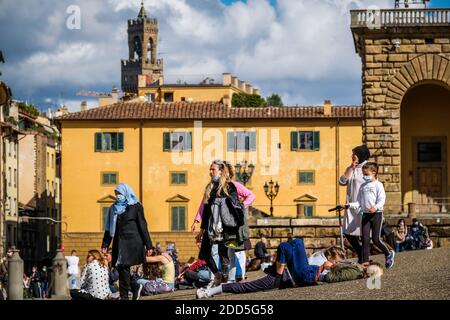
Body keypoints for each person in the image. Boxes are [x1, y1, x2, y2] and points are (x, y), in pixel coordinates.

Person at [196, 238, 333, 299]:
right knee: (297, 242)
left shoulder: (321, 270)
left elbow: (315, 277)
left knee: (287, 246)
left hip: (283, 278)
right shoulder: (321, 268)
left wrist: (321, 267)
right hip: (293, 274)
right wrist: (322, 267)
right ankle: (211, 291)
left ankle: (210, 292)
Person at [193, 160, 245, 286]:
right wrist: (202, 229)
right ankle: (217, 275)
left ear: (221, 171)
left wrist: (238, 224)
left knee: (224, 253)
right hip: (211, 225)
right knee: (205, 251)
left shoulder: (228, 186)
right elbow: (206, 210)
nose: (210, 172)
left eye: (213, 169)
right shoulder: (209, 187)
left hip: (225, 226)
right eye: (210, 169)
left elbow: (235, 206)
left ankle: (225, 282)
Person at [101, 183, 153, 300]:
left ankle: (125, 295)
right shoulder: (113, 208)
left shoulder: (136, 206)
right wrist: (105, 244)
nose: (118, 196)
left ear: (126, 193)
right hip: (118, 243)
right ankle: (134, 286)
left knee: (123, 267)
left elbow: (143, 226)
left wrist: (149, 245)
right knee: (121, 268)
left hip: (132, 242)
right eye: (116, 193)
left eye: (119, 193)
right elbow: (109, 228)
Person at [347, 162, 395, 269]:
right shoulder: (363, 186)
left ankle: (388, 253)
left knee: (376, 239)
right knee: (364, 239)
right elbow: (359, 202)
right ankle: (365, 262)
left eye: (366, 174)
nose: (364, 176)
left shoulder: (378, 185)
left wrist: (376, 207)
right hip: (365, 215)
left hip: (376, 214)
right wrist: (349, 205)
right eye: (363, 174)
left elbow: (382, 200)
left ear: (374, 172)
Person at [339, 144, 370, 264]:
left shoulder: (367, 167)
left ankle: (364, 259)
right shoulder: (353, 168)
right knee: (347, 232)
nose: (352, 156)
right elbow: (342, 181)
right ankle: (360, 252)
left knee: (363, 234)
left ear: (361, 155)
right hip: (350, 206)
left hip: (361, 206)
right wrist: (350, 168)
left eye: (354, 154)